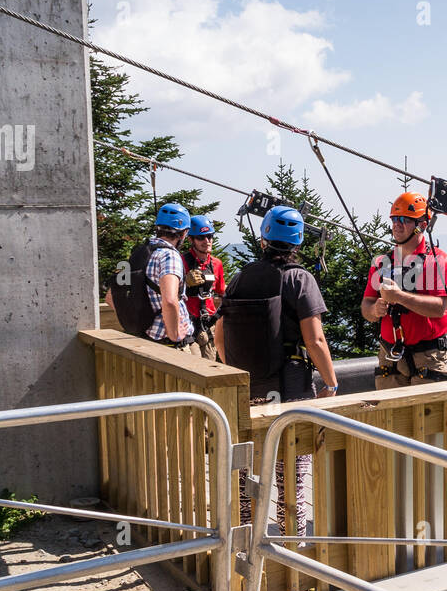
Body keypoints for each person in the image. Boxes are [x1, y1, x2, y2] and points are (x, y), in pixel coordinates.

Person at [215, 205, 337, 535]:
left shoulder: (242, 277)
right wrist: (331, 383)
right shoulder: (300, 279)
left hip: (250, 392)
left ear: (264, 237)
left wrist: (237, 372)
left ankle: (243, 550)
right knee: (291, 480)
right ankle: (291, 554)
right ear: (298, 241)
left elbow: (218, 334)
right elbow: (315, 340)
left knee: (247, 478)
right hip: (291, 390)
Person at [361, 191, 447, 389]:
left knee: (428, 418)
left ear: (422, 225)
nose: (397, 224)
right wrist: (374, 310)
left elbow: (439, 308)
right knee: (389, 419)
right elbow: (366, 305)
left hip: (428, 356)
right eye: (395, 219)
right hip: (390, 357)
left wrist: (400, 297)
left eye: (404, 219)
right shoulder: (382, 262)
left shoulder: (440, 261)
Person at [105, 202, 194, 350]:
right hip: (170, 345)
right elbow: (170, 300)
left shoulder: (140, 253)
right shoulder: (169, 256)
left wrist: (136, 320)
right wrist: (175, 334)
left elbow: (110, 297)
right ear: (184, 233)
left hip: (145, 340)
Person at [182, 214, 226, 360]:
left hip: (208, 325)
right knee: (194, 368)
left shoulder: (216, 264)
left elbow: (221, 292)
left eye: (209, 236)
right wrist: (185, 282)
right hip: (189, 325)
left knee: (210, 366)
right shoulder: (182, 261)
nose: (207, 241)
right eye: (201, 238)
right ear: (191, 240)